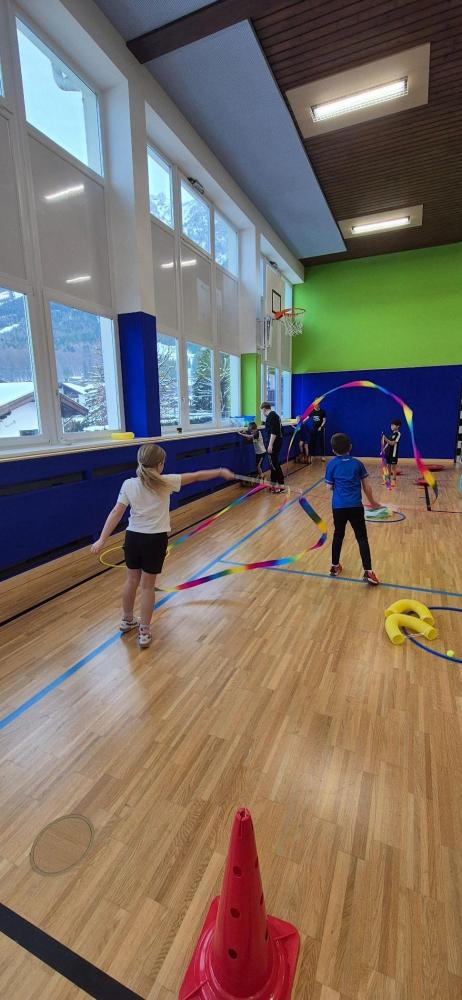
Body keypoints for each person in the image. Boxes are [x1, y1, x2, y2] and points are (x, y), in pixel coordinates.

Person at [91, 444, 234, 647]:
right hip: (155, 540)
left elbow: (116, 512)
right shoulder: (167, 481)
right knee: (148, 586)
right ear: (160, 464)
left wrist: (102, 539)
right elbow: (197, 476)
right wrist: (220, 471)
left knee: (131, 580)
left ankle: (127, 619)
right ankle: (144, 632)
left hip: (132, 539)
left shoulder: (128, 484)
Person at [325, 432, 380, 585]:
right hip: (356, 507)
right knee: (362, 538)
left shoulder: (331, 464)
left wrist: (337, 486)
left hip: (338, 508)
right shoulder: (358, 464)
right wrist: (373, 502)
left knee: (338, 535)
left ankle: (334, 567)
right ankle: (368, 572)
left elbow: (329, 487)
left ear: (333, 450)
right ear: (350, 447)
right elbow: (367, 487)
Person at [260, 401, 285, 493]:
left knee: (274, 464)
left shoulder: (271, 417)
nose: (262, 413)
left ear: (264, 409)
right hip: (276, 443)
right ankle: (273, 484)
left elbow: (274, 432)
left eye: (261, 411)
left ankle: (281, 485)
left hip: (273, 444)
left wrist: (270, 445)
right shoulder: (275, 416)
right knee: (272, 464)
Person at [381, 420, 402, 488]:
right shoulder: (392, 434)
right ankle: (388, 480)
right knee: (388, 466)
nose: (391, 426)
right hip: (389, 453)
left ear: (398, 426)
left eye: (393, 425)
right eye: (391, 425)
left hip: (394, 453)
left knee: (393, 467)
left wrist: (385, 438)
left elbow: (392, 443)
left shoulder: (398, 434)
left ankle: (394, 481)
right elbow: (388, 444)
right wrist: (383, 449)